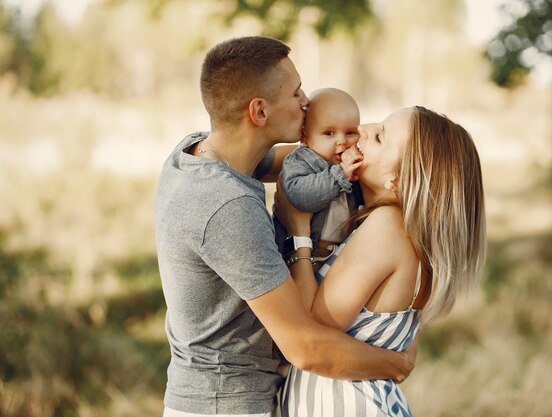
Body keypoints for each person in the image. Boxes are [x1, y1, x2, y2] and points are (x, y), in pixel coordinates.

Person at [154, 36, 416, 417]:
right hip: (227, 405)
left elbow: (306, 162)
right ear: (259, 111)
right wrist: (395, 364)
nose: (306, 101)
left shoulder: (196, 152)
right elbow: (304, 347)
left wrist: (348, 143)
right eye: (296, 93)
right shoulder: (229, 205)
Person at [275, 106, 487, 416]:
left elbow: (310, 332)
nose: (363, 129)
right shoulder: (413, 236)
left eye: (379, 137)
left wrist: (298, 233)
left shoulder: (387, 228)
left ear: (397, 181)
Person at [273, 87, 364, 265]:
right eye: (329, 133)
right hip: (302, 257)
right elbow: (301, 196)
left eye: (350, 132)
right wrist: (340, 176)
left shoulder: (351, 163)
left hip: (338, 257)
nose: (342, 141)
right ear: (305, 138)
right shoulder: (300, 161)